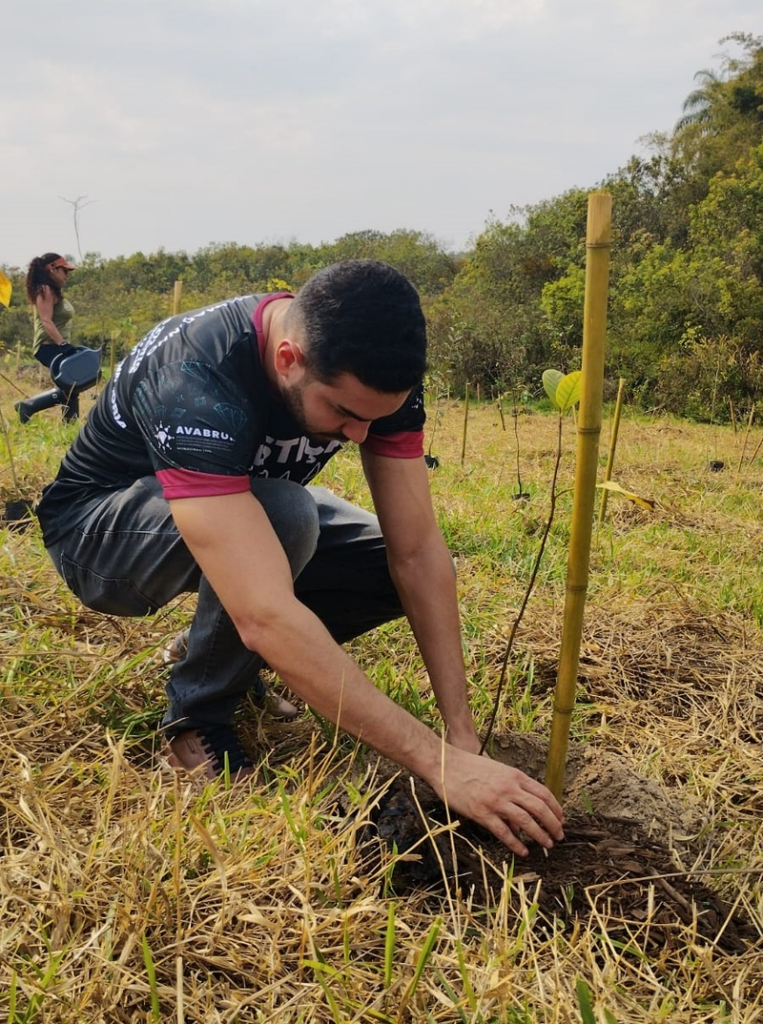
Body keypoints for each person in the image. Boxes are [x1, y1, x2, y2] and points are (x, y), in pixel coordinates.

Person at [36, 260, 564, 857]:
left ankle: (212, 650)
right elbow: (264, 613)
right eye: (343, 414)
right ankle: (196, 716)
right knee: (288, 515)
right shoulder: (195, 374)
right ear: (288, 359)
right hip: (99, 533)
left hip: (237, 509)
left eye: (375, 417)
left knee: (379, 559)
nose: (360, 436)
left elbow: (417, 553)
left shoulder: (366, 377)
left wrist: (461, 738)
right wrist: (436, 763)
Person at [16, 253, 80, 423]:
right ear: (52, 269)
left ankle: (70, 424)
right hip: (48, 346)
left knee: (72, 384)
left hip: (57, 346)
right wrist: (63, 345)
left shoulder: (53, 291)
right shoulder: (44, 289)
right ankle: (29, 406)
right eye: (64, 271)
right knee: (72, 383)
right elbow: (46, 321)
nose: (67, 275)